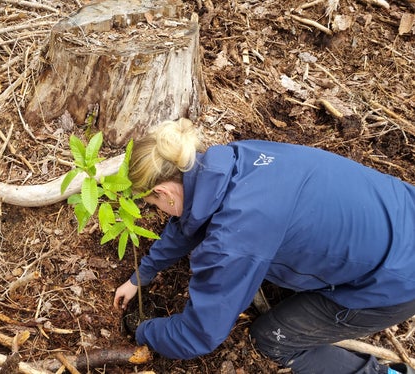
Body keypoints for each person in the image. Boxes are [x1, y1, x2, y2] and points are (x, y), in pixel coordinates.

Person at [113, 118, 415, 374]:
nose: (158, 210)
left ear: (164, 192)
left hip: (394, 282)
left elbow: (199, 335)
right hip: (402, 213)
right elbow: (191, 219)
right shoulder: (236, 158)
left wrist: (142, 330)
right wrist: (141, 275)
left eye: (153, 203)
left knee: (272, 338)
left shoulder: (235, 239)